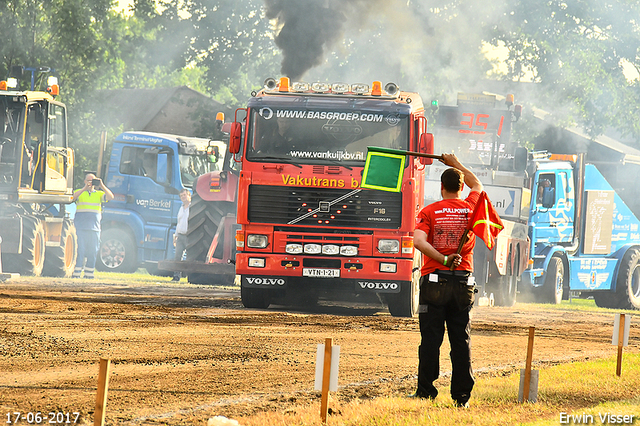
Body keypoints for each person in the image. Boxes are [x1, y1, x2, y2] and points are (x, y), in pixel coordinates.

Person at [411, 153, 483, 408]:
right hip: (463, 282)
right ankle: (462, 396)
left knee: (430, 339)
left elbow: (418, 242)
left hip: (433, 281)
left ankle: (426, 390)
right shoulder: (472, 207)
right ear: (460, 188)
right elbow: (478, 185)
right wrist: (456, 163)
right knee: (460, 340)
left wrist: (442, 259)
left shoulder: (429, 211)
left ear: (441, 187)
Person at [72, 173, 114, 279]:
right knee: (80, 250)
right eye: (88, 180)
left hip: (94, 228)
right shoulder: (79, 192)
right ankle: (76, 273)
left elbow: (111, 197)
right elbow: (72, 198)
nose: (90, 182)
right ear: (84, 181)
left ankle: (89, 274)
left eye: (92, 181)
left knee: (93, 251)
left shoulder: (99, 194)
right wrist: (84, 188)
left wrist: (102, 185)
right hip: (80, 227)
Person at [172, 188, 191, 281]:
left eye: (184, 195)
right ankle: (176, 276)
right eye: (181, 196)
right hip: (180, 236)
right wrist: (175, 236)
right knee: (177, 256)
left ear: (189, 195)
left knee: (189, 257)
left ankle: (188, 276)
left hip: (189, 236)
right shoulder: (180, 209)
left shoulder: (192, 208)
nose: (183, 197)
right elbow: (178, 223)